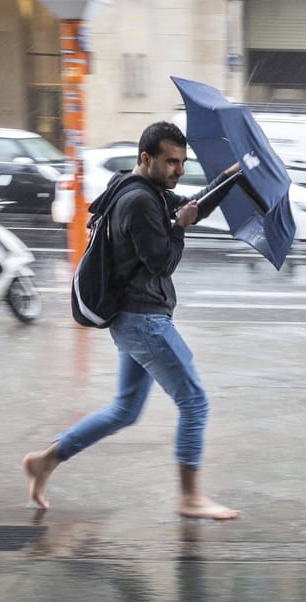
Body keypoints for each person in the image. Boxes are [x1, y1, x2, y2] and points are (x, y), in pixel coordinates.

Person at [22, 121, 240, 520]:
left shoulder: (140, 189)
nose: (178, 170)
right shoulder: (140, 202)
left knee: (124, 410)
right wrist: (180, 229)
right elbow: (162, 261)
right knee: (194, 403)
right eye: (171, 162)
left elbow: (185, 208)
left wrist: (227, 179)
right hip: (145, 321)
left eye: (182, 162)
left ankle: (45, 461)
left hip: (130, 319)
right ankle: (190, 497)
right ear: (146, 158)